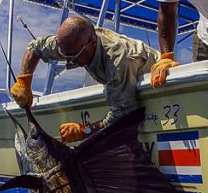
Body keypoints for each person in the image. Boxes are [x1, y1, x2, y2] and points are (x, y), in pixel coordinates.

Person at [10, 16, 159, 143]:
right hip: (122, 86)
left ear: (92, 42)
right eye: (65, 56)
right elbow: (35, 47)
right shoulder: (71, 44)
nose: (69, 62)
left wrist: (84, 130)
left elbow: (124, 115)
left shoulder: (119, 60)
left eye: (73, 57)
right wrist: (24, 80)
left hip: (154, 81)